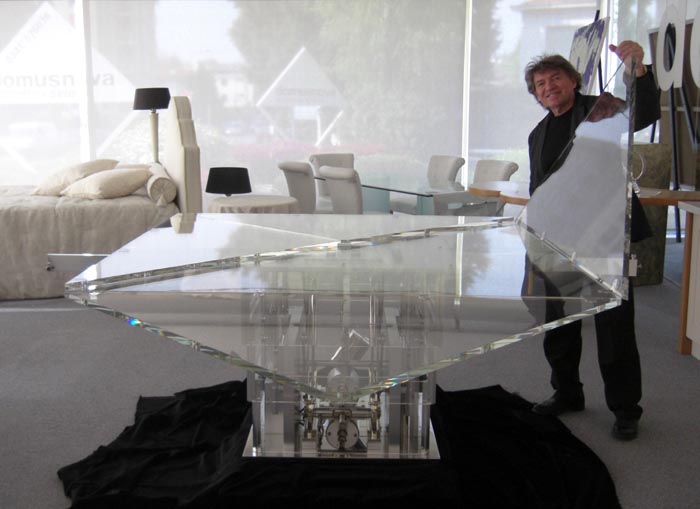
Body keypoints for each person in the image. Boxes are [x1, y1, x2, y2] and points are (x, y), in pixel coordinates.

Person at [524, 41, 660, 441]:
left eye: (555, 78)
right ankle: (567, 392)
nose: (548, 87)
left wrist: (638, 70)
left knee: (614, 326)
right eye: (540, 84)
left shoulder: (597, 110)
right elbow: (539, 187)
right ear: (536, 95)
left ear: (573, 81)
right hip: (556, 239)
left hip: (604, 235)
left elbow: (643, 115)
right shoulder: (537, 133)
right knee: (558, 322)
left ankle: (625, 409)